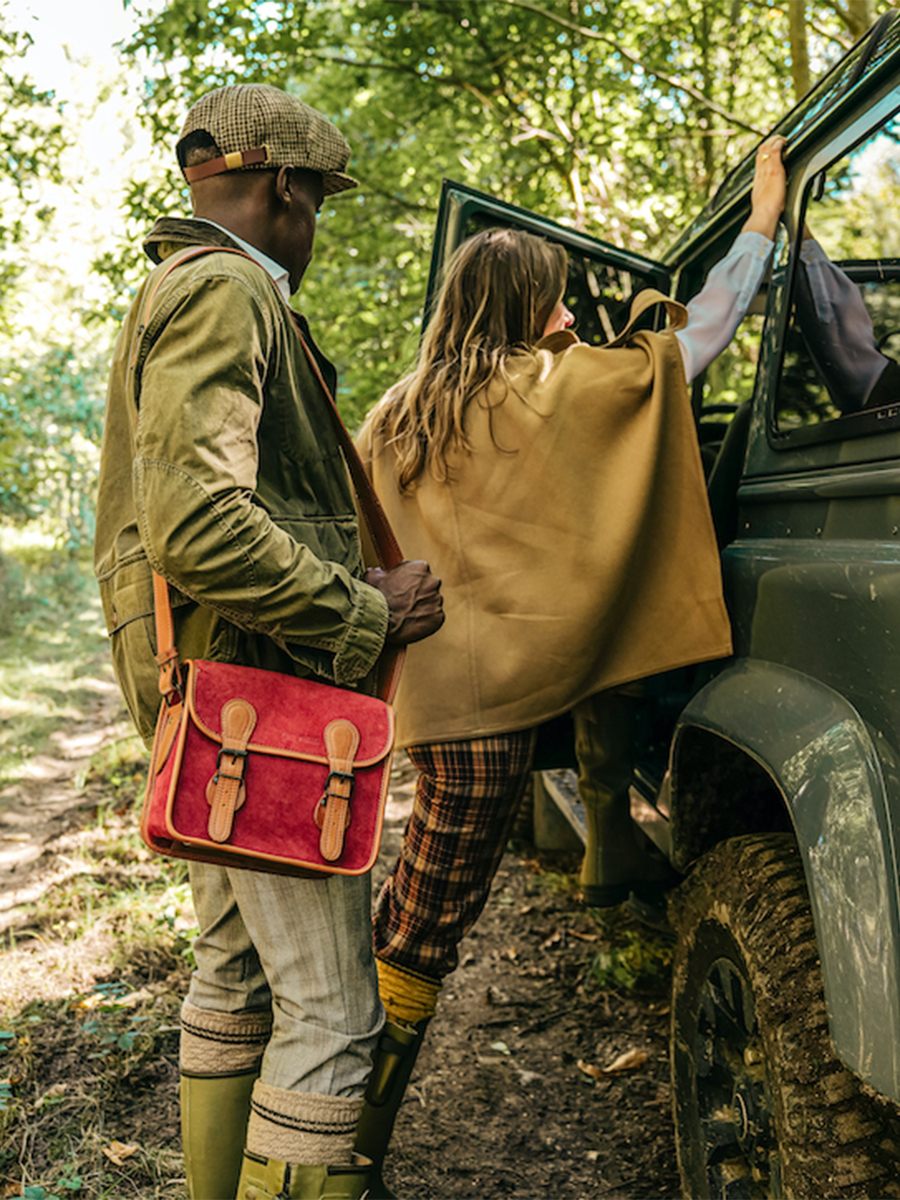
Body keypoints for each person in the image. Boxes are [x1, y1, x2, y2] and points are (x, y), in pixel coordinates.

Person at [351, 137, 789, 1195]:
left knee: (413, 909)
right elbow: (707, 335)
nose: (567, 318)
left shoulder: (400, 410)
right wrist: (765, 215)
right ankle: (342, 1148)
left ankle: (331, 1120)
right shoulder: (543, 390)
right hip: (489, 721)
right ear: (518, 309)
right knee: (422, 930)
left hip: (434, 708)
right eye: (554, 302)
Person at [93, 84, 443, 1200]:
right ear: (285, 186)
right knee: (334, 1015)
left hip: (214, 698)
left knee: (237, 973)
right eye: (318, 200)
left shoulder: (177, 283)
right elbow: (199, 525)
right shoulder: (231, 290)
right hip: (262, 701)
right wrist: (365, 612)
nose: (318, 222)